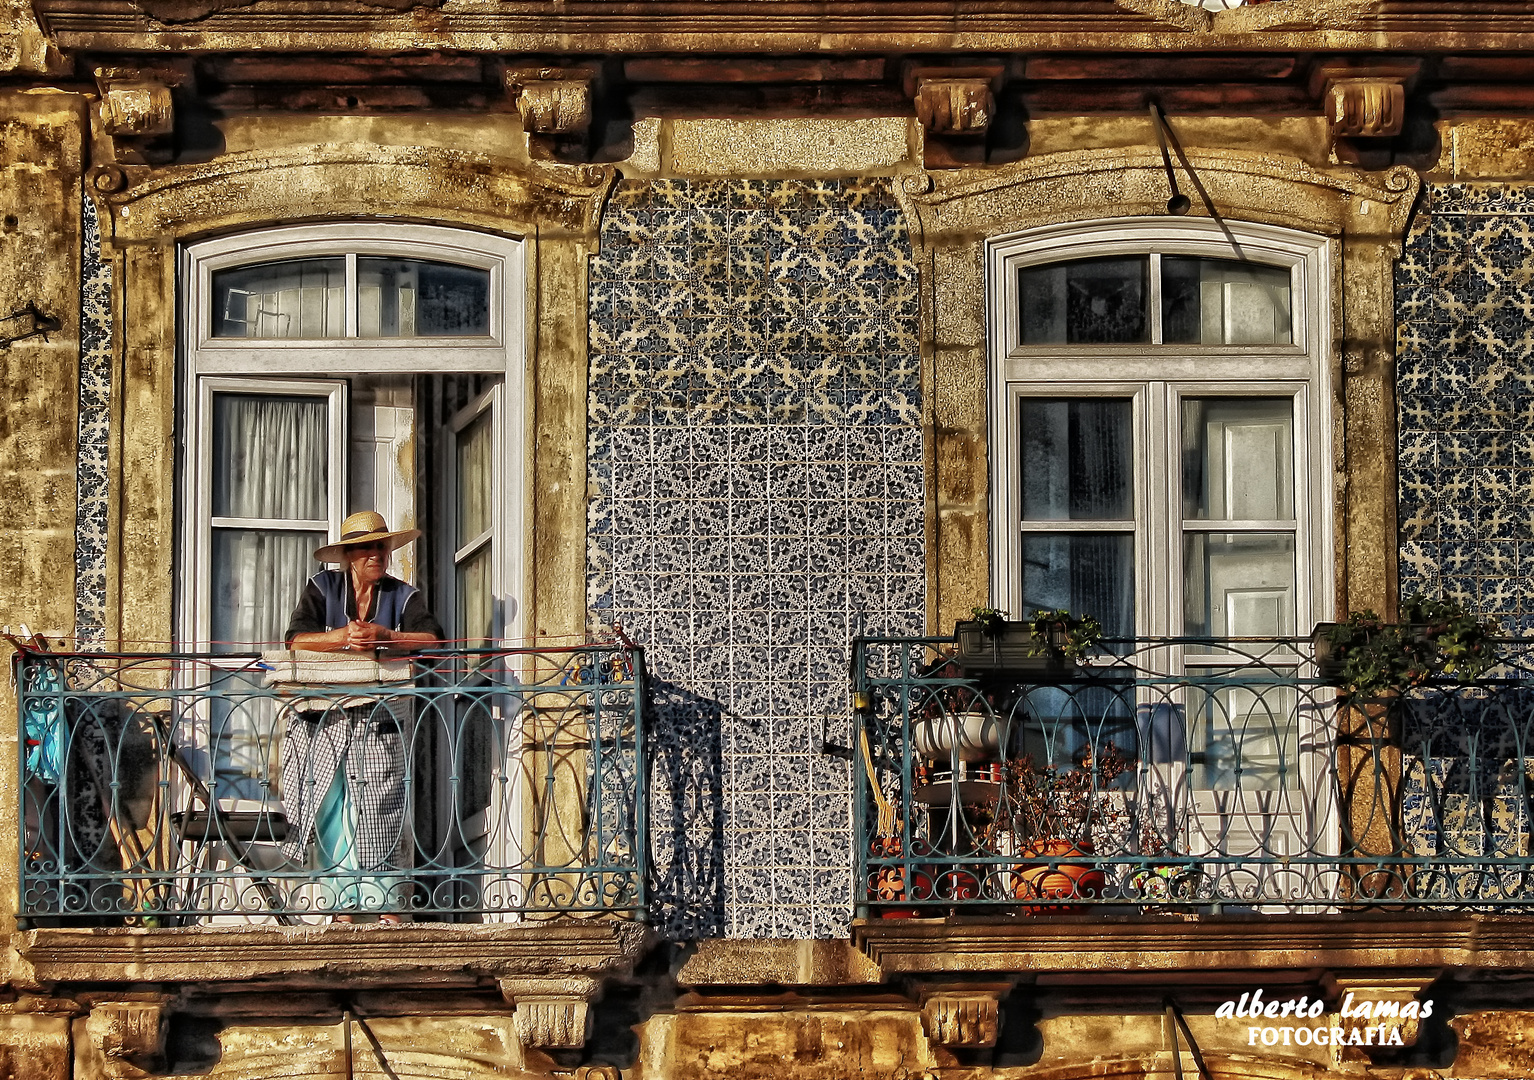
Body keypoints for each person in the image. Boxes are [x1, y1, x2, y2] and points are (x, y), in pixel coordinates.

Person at [279, 511, 443, 923]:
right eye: (367, 548)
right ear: (349, 555)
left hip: (382, 715)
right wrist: (342, 637)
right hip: (324, 716)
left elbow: (434, 641)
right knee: (333, 806)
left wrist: (386, 636)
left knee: (379, 806)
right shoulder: (322, 587)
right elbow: (295, 639)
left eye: (381, 547)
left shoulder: (404, 596)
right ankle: (344, 905)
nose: (376, 554)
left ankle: (387, 904)